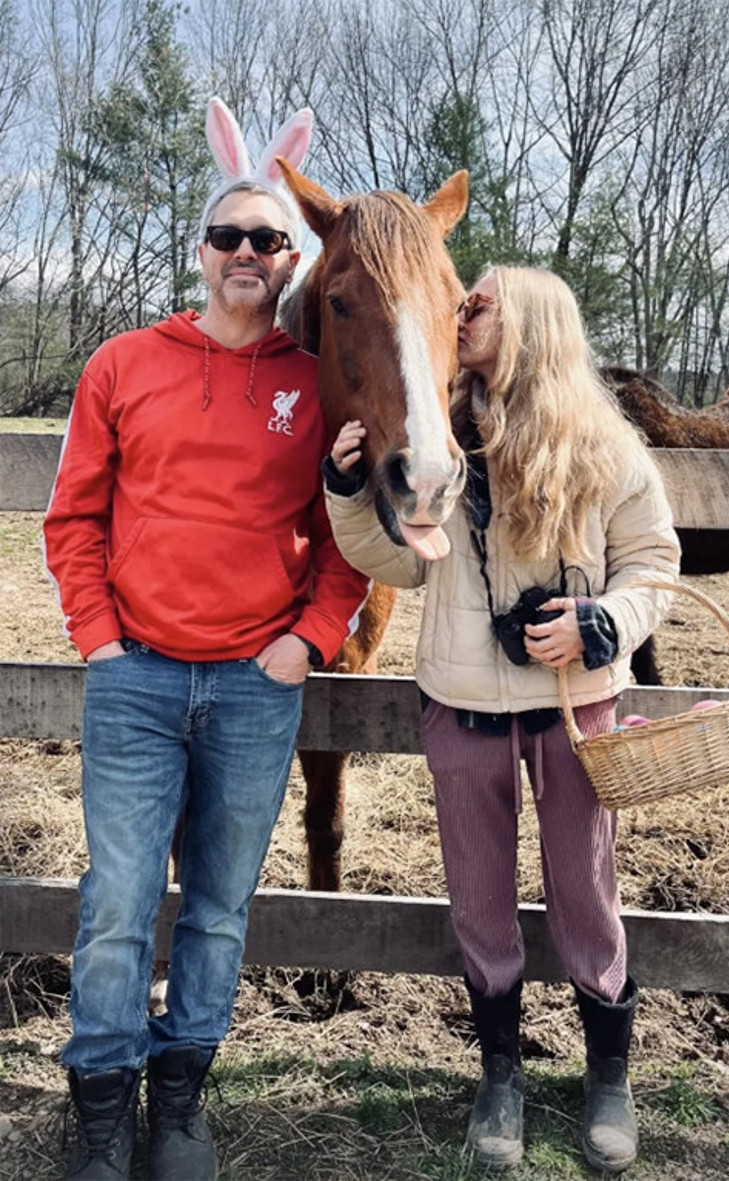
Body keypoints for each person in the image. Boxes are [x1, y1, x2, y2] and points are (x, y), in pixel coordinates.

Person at [43, 103, 371, 1181]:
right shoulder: (124, 363)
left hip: (252, 684)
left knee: (221, 905)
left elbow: (344, 533)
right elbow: (73, 515)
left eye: (267, 240)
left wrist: (310, 637)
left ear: (289, 261)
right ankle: (99, 1105)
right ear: (201, 249)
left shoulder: (309, 386)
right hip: (134, 675)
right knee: (117, 901)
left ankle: (180, 1099)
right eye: (229, 235)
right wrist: (96, 637)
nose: (245, 254)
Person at [323, 265, 681, 1174]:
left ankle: (609, 1076)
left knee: (588, 895)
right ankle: (501, 1078)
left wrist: (606, 622)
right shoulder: (436, 431)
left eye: (477, 300)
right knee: (479, 900)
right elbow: (391, 561)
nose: (460, 308)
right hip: (465, 708)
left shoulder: (605, 444)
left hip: (574, 707)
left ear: (531, 322)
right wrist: (342, 489)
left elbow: (653, 561)